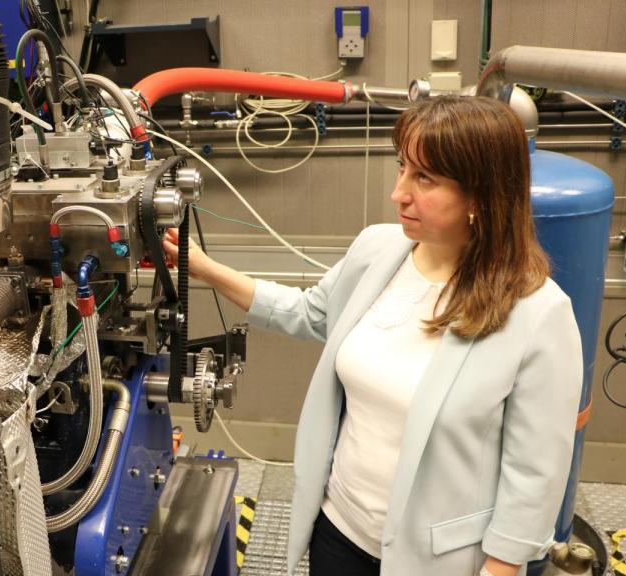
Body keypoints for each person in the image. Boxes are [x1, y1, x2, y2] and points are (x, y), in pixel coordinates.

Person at [163, 96, 582, 576]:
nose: (399, 193)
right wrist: (205, 268)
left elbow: (535, 475)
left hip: (439, 561)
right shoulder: (377, 250)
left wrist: (500, 570)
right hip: (339, 528)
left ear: (482, 196)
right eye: (402, 168)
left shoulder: (538, 312)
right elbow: (309, 313)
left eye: (424, 178)